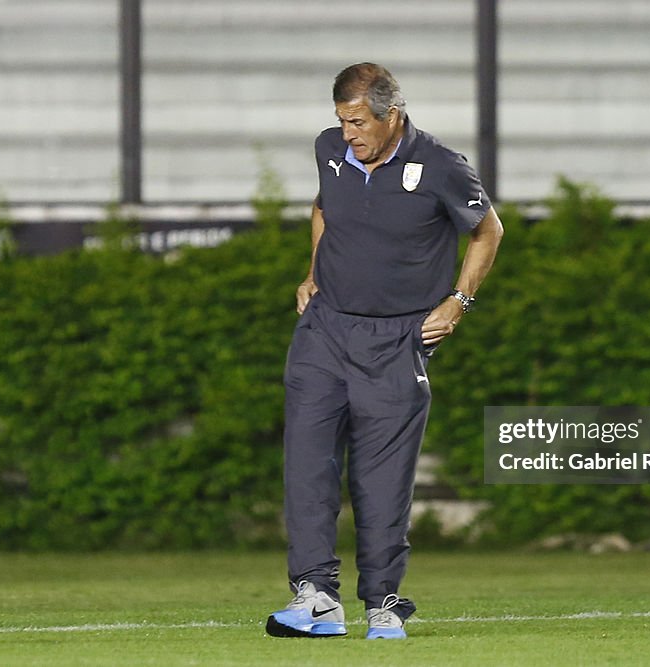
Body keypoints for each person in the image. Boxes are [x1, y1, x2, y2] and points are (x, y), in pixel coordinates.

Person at [266, 62, 503, 640]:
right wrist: (312, 272)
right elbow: (323, 207)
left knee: (381, 479)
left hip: (397, 340)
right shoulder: (329, 149)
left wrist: (458, 302)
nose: (347, 133)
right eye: (341, 121)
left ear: (390, 115)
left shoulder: (442, 167)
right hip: (324, 331)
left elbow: (488, 229)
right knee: (306, 465)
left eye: (357, 122)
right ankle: (316, 597)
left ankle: (383, 603)